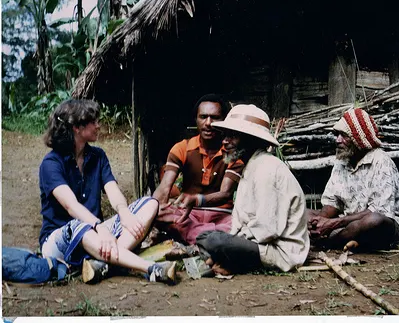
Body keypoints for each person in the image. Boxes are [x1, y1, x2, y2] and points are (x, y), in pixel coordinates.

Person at [39, 99, 176, 284]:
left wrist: (124, 212)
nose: (98, 126)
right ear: (76, 127)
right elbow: (70, 206)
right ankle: (149, 268)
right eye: (93, 121)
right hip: (61, 239)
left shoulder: (97, 156)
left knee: (150, 203)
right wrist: (99, 227)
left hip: (97, 236)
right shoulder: (51, 163)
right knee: (78, 225)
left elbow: (112, 189)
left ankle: (104, 263)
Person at [195, 104, 310, 275]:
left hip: (279, 250)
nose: (225, 142)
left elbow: (267, 229)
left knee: (216, 241)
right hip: (258, 242)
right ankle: (225, 260)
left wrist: (232, 242)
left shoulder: (267, 169)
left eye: (233, 136)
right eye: (225, 136)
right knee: (204, 236)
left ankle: (225, 261)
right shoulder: (252, 166)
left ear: (251, 139)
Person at [308, 108, 399, 251]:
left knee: (372, 221)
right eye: (337, 135)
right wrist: (320, 221)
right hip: (348, 221)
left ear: (359, 139)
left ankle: (325, 244)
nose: (338, 140)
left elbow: (379, 212)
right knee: (303, 213)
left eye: (344, 136)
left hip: (385, 225)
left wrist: (332, 224)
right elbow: (333, 202)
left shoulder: (381, 161)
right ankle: (335, 239)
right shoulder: (342, 160)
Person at [153, 94, 244, 245]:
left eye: (215, 117)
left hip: (222, 215)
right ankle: (211, 238)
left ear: (224, 121)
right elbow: (165, 187)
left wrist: (197, 200)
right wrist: (154, 208)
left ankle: (197, 236)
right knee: (161, 214)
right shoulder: (182, 148)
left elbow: (225, 193)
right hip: (188, 214)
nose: (208, 123)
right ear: (196, 120)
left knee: (238, 224)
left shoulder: (233, 153)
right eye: (203, 117)